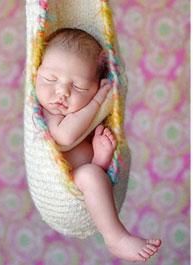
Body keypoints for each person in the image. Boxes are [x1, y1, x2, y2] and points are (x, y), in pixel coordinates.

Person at [35, 28, 161, 262]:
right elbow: (64, 136)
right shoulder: (46, 111)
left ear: (95, 84)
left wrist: (100, 159)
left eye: (80, 87)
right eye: (50, 79)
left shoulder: (85, 112)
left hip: (86, 171)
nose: (61, 92)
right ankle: (116, 238)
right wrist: (96, 100)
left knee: (95, 169)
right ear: (35, 73)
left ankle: (98, 165)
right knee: (90, 176)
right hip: (65, 183)